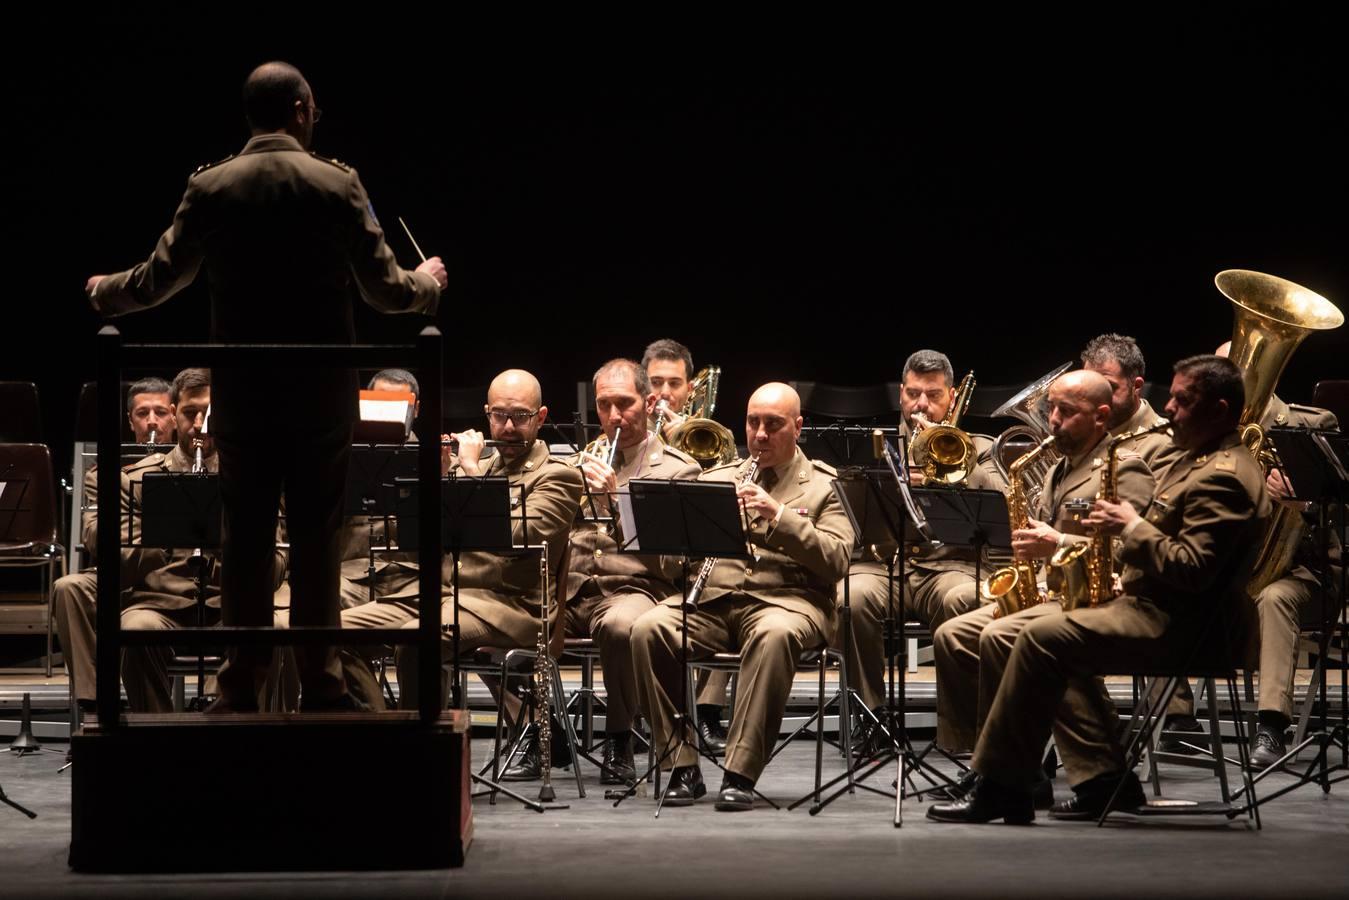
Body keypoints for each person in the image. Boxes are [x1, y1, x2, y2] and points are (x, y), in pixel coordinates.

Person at [85, 61, 447, 712]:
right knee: (316, 538)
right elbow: (389, 291)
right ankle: (323, 681)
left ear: (251, 115)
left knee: (244, 537)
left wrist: (105, 291)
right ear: (303, 110)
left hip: (245, 394)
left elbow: (158, 278)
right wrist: (430, 285)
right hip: (320, 394)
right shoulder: (337, 183)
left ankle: (237, 684)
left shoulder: (212, 185)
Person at [929, 355, 1269, 823]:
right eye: (1170, 396)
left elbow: (1193, 570)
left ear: (1220, 408)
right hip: (1150, 604)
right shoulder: (1198, 461)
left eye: (1182, 400)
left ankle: (1007, 784)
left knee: (1038, 636)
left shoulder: (1225, 475)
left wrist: (1129, 527)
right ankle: (1089, 780)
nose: (1167, 409)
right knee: (1023, 633)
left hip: (1184, 623)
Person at [930, 370, 1155, 806]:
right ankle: (994, 763)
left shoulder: (1124, 470)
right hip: (1054, 593)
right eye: (1050, 409)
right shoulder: (1055, 469)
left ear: (1102, 416)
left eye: (1066, 412)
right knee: (953, 636)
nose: (1052, 420)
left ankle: (1006, 776)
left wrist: (1057, 542)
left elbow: (1136, 548)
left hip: (1101, 598)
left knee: (1017, 640)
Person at [631, 383, 854, 810]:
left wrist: (779, 516)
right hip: (716, 602)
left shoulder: (825, 486)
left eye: (774, 424)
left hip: (789, 603)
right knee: (648, 628)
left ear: (798, 427)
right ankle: (681, 765)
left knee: (773, 635)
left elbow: (837, 559)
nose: (761, 434)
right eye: (753, 423)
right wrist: (676, 542)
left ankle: (740, 772)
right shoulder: (719, 478)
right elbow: (676, 565)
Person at [342, 369, 583, 724]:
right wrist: (437, 476)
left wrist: (470, 470)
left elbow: (517, 539)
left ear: (540, 417)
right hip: (444, 595)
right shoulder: (476, 465)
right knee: (333, 632)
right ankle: (387, 730)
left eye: (520, 416)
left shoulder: (558, 476)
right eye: (499, 415)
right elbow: (422, 535)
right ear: (487, 413)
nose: (508, 427)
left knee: (416, 639)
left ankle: (424, 749)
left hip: (511, 607)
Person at [53, 369, 286, 713]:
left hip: (232, 601)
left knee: (275, 628)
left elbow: (277, 564)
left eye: (209, 414)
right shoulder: (137, 478)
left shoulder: (251, 480)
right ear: (175, 413)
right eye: (191, 413)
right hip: (159, 601)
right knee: (134, 628)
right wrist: (167, 532)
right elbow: (112, 548)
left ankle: (246, 731)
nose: (199, 424)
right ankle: (156, 736)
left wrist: (234, 538)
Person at [837, 349, 1006, 754]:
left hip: (948, 567)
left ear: (951, 398)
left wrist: (955, 459)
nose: (921, 405)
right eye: (913, 394)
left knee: (967, 599)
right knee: (851, 598)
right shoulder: (876, 446)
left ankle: (961, 733)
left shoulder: (978, 447)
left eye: (932, 395)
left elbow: (1000, 508)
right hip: (883, 564)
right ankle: (871, 718)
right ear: (901, 394)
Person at [564, 358, 700, 783]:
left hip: (636, 590)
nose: (613, 416)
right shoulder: (578, 465)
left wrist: (614, 504)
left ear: (650, 401)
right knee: (486, 615)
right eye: (604, 405)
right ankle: (536, 729)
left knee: (621, 627)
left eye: (624, 404)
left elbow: (675, 563)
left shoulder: (679, 469)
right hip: (572, 588)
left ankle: (620, 737)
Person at [642, 337, 732, 751]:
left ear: (689, 390)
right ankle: (651, 714)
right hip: (644, 562)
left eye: (673, 384)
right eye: (655, 382)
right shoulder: (627, 434)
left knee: (722, 584)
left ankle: (708, 710)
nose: (663, 393)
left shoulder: (713, 436)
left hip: (697, 558)